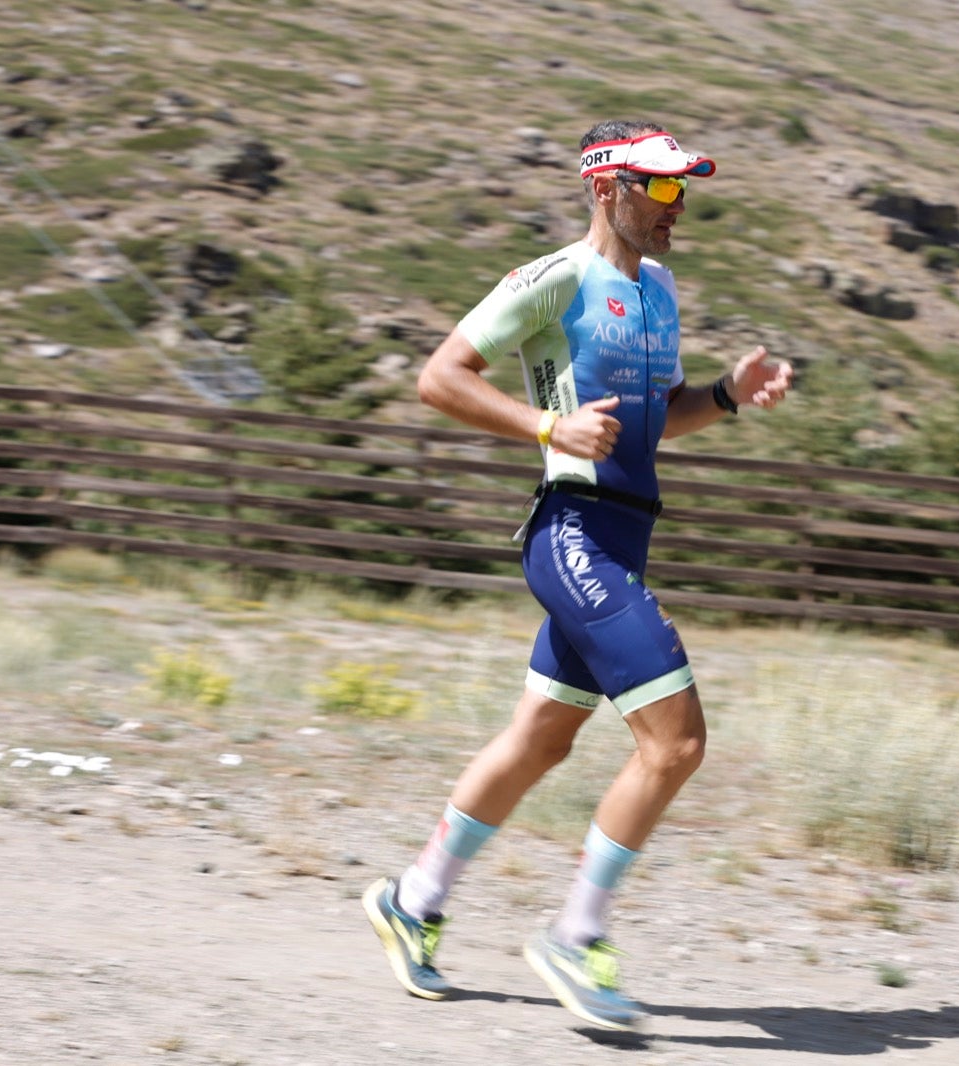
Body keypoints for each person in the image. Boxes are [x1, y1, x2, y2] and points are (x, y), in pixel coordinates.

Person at [362, 119, 794, 1031]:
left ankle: (413, 898)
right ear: (609, 190)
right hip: (572, 535)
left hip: (627, 536)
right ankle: (575, 932)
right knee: (675, 743)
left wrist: (723, 396)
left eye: (684, 189)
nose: (680, 206)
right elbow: (438, 378)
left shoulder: (662, 291)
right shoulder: (555, 279)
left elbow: (655, 418)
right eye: (663, 189)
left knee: (541, 741)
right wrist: (545, 427)